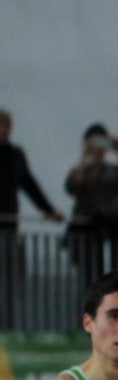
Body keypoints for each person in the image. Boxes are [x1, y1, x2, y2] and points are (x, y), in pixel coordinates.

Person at [0, 108, 64, 324]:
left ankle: (6, 326)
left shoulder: (16, 155)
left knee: (9, 281)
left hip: (8, 228)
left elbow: (29, 184)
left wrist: (48, 210)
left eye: (4, 126)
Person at [64, 123, 118, 284]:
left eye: (102, 142)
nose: (98, 147)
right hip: (88, 231)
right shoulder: (81, 170)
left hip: (116, 228)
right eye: (94, 143)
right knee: (89, 279)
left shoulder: (115, 169)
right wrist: (84, 157)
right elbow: (73, 186)